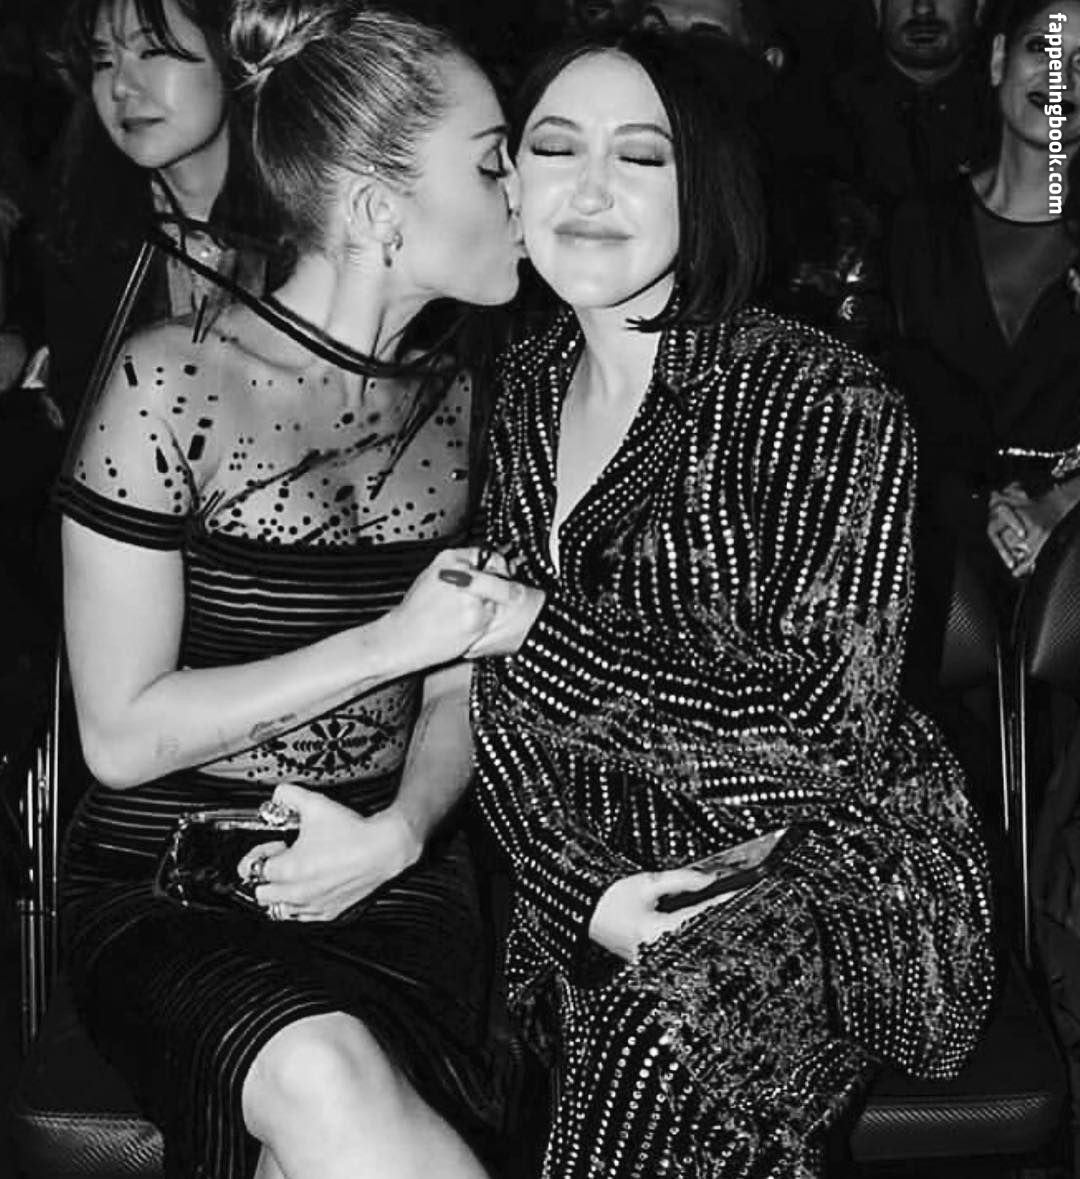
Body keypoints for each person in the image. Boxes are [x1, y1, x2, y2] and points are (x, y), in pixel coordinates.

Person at [463, 30, 995, 1177]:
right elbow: (489, 704)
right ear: (509, 182)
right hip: (598, 871)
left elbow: (823, 740)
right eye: (555, 148)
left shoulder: (821, 397)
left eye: (639, 156)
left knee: (657, 1043)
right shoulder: (516, 391)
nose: (589, 189)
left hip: (832, 874)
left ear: (703, 186)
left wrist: (540, 636)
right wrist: (582, 891)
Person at [55, 4, 527, 1177]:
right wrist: (388, 643)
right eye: (492, 163)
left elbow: (457, 687)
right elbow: (120, 737)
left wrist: (400, 832)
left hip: (393, 881)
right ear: (376, 208)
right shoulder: (171, 383)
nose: (525, 192)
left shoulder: (472, 401)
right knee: (324, 1073)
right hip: (173, 885)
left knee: (329, 1123)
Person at [890, 0, 1080, 636]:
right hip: (930, 567)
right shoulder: (915, 226)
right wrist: (976, 505)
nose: (1061, 78)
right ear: (998, 59)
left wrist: (1062, 505)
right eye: (1042, 49)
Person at [832, 0, 995, 206]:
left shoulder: (1010, 116)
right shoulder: (826, 115)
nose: (923, 9)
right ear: (878, 7)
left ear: (979, 7)